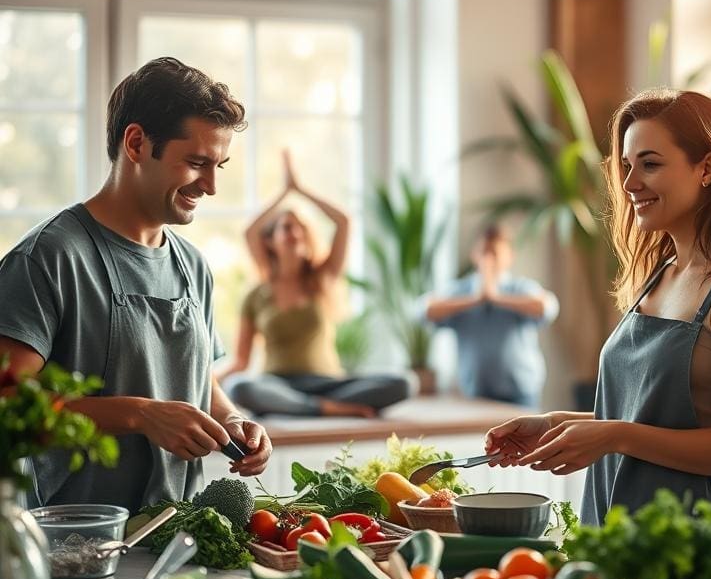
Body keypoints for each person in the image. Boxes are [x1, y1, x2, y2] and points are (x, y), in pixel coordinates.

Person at [485, 88, 711, 523]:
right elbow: (647, 414)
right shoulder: (659, 273)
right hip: (617, 532)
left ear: (707, 168)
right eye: (627, 167)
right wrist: (555, 424)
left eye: (650, 164)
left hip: (692, 543)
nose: (629, 184)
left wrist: (614, 436)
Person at [0, 57, 272, 513]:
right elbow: (10, 410)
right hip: (75, 542)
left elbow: (195, 379)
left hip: (178, 534)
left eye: (218, 166)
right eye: (196, 163)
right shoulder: (50, 257)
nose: (209, 185)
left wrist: (232, 420)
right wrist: (141, 415)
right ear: (136, 143)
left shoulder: (192, 265)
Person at [217, 151, 411, 418]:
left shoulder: (322, 279)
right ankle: (325, 410)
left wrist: (301, 189)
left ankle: (314, 407)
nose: (294, 232)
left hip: (329, 384)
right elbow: (241, 361)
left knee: (404, 383)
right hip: (276, 384)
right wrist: (284, 193)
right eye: (286, 227)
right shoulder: (256, 294)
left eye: (299, 228)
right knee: (239, 387)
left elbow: (344, 222)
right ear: (271, 241)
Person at [422, 225, 559, 407]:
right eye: (484, 251)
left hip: (521, 396)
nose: (489, 259)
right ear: (474, 255)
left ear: (509, 257)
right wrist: (475, 299)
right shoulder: (460, 290)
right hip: (474, 396)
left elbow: (547, 306)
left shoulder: (520, 288)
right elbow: (425, 310)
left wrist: (495, 297)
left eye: (494, 253)